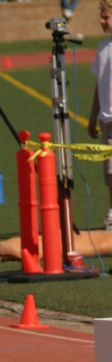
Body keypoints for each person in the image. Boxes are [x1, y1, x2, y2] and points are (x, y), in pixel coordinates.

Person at [89, 0, 112, 230]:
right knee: (109, 173)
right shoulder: (103, 47)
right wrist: (92, 116)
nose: (101, 21)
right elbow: (100, 84)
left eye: (106, 17)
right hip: (107, 120)